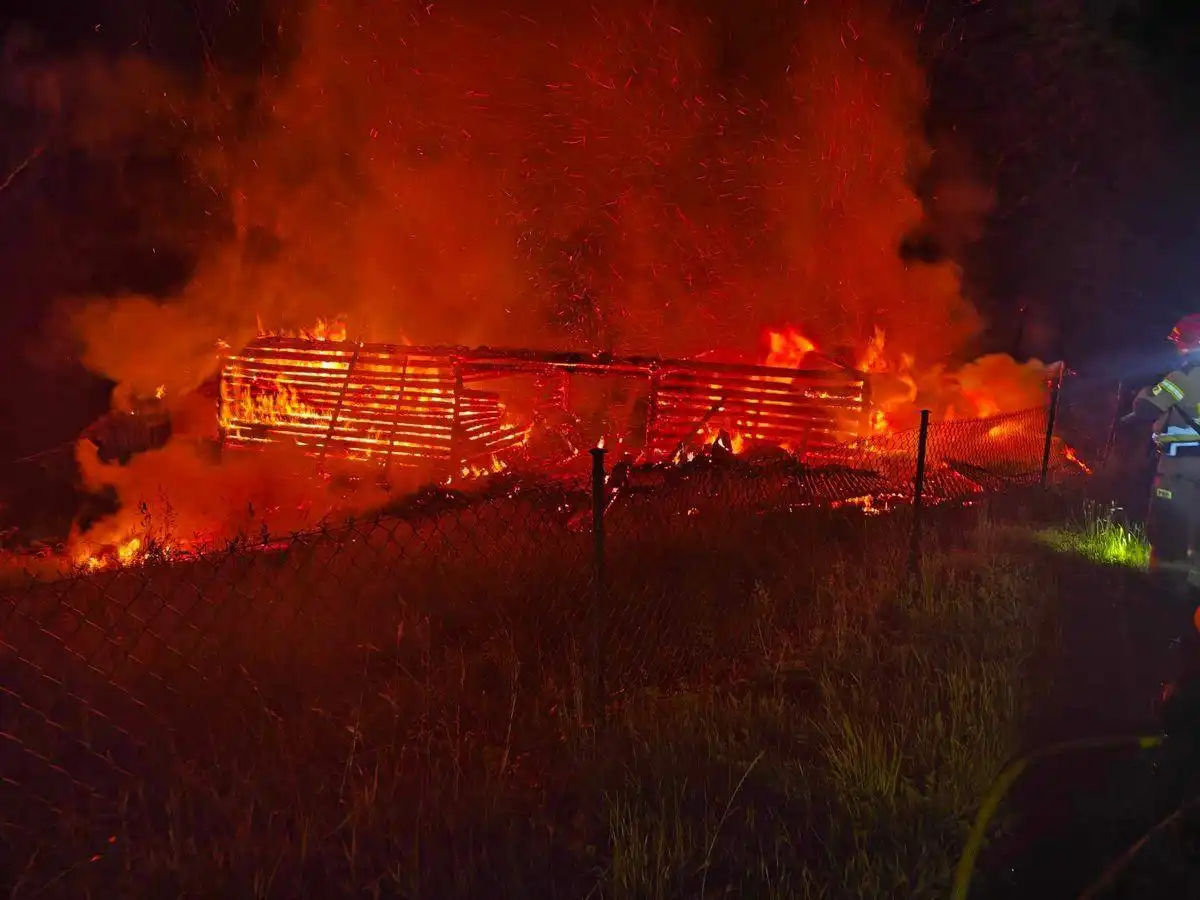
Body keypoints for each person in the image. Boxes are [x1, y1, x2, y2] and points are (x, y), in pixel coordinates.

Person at [1121, 314, 1200, 593]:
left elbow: (1146, 407)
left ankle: (1162, 592)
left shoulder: (1183, 376)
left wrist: (1145, 389)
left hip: (1178, 470)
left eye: (1180, 341)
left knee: (1167, 529)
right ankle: (1193, 594)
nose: (1177, 347)